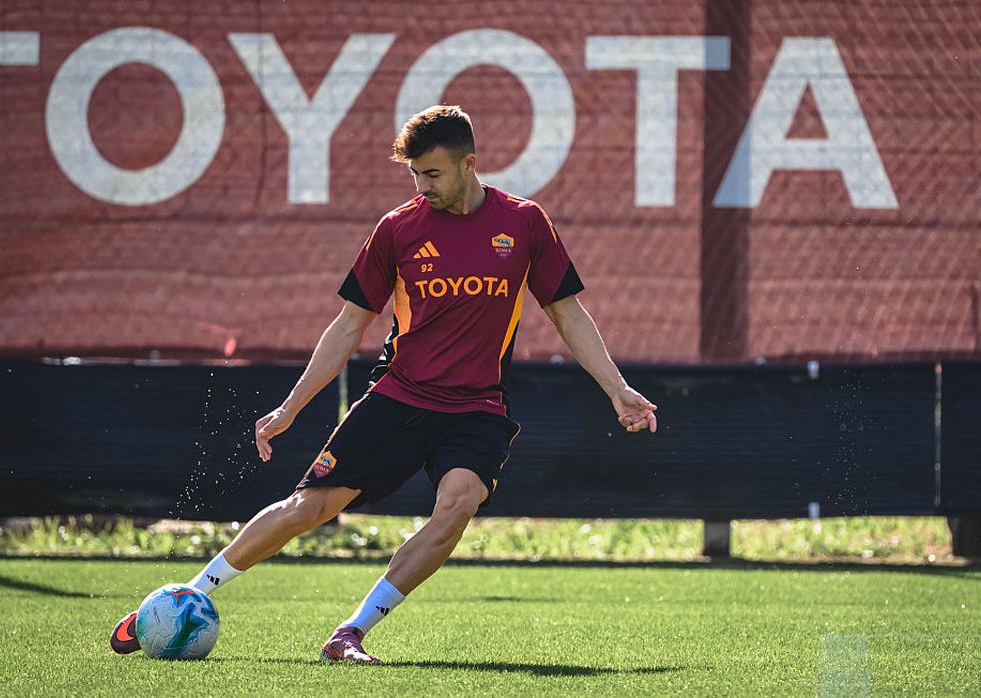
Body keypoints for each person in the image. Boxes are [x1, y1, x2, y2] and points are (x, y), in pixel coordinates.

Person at [109, 105, 658, 662]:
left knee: (459, 503)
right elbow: (349, 325)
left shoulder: (524, 223)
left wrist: (616, 388)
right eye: (415, 174)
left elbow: (567, 312)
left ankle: (351, 631)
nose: (423, 186)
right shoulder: (398, 228)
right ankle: (187, 596)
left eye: (433, 174)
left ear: (470, 164)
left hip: (477, 407)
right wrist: (291, 407)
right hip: (399, 395)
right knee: (308, 509)